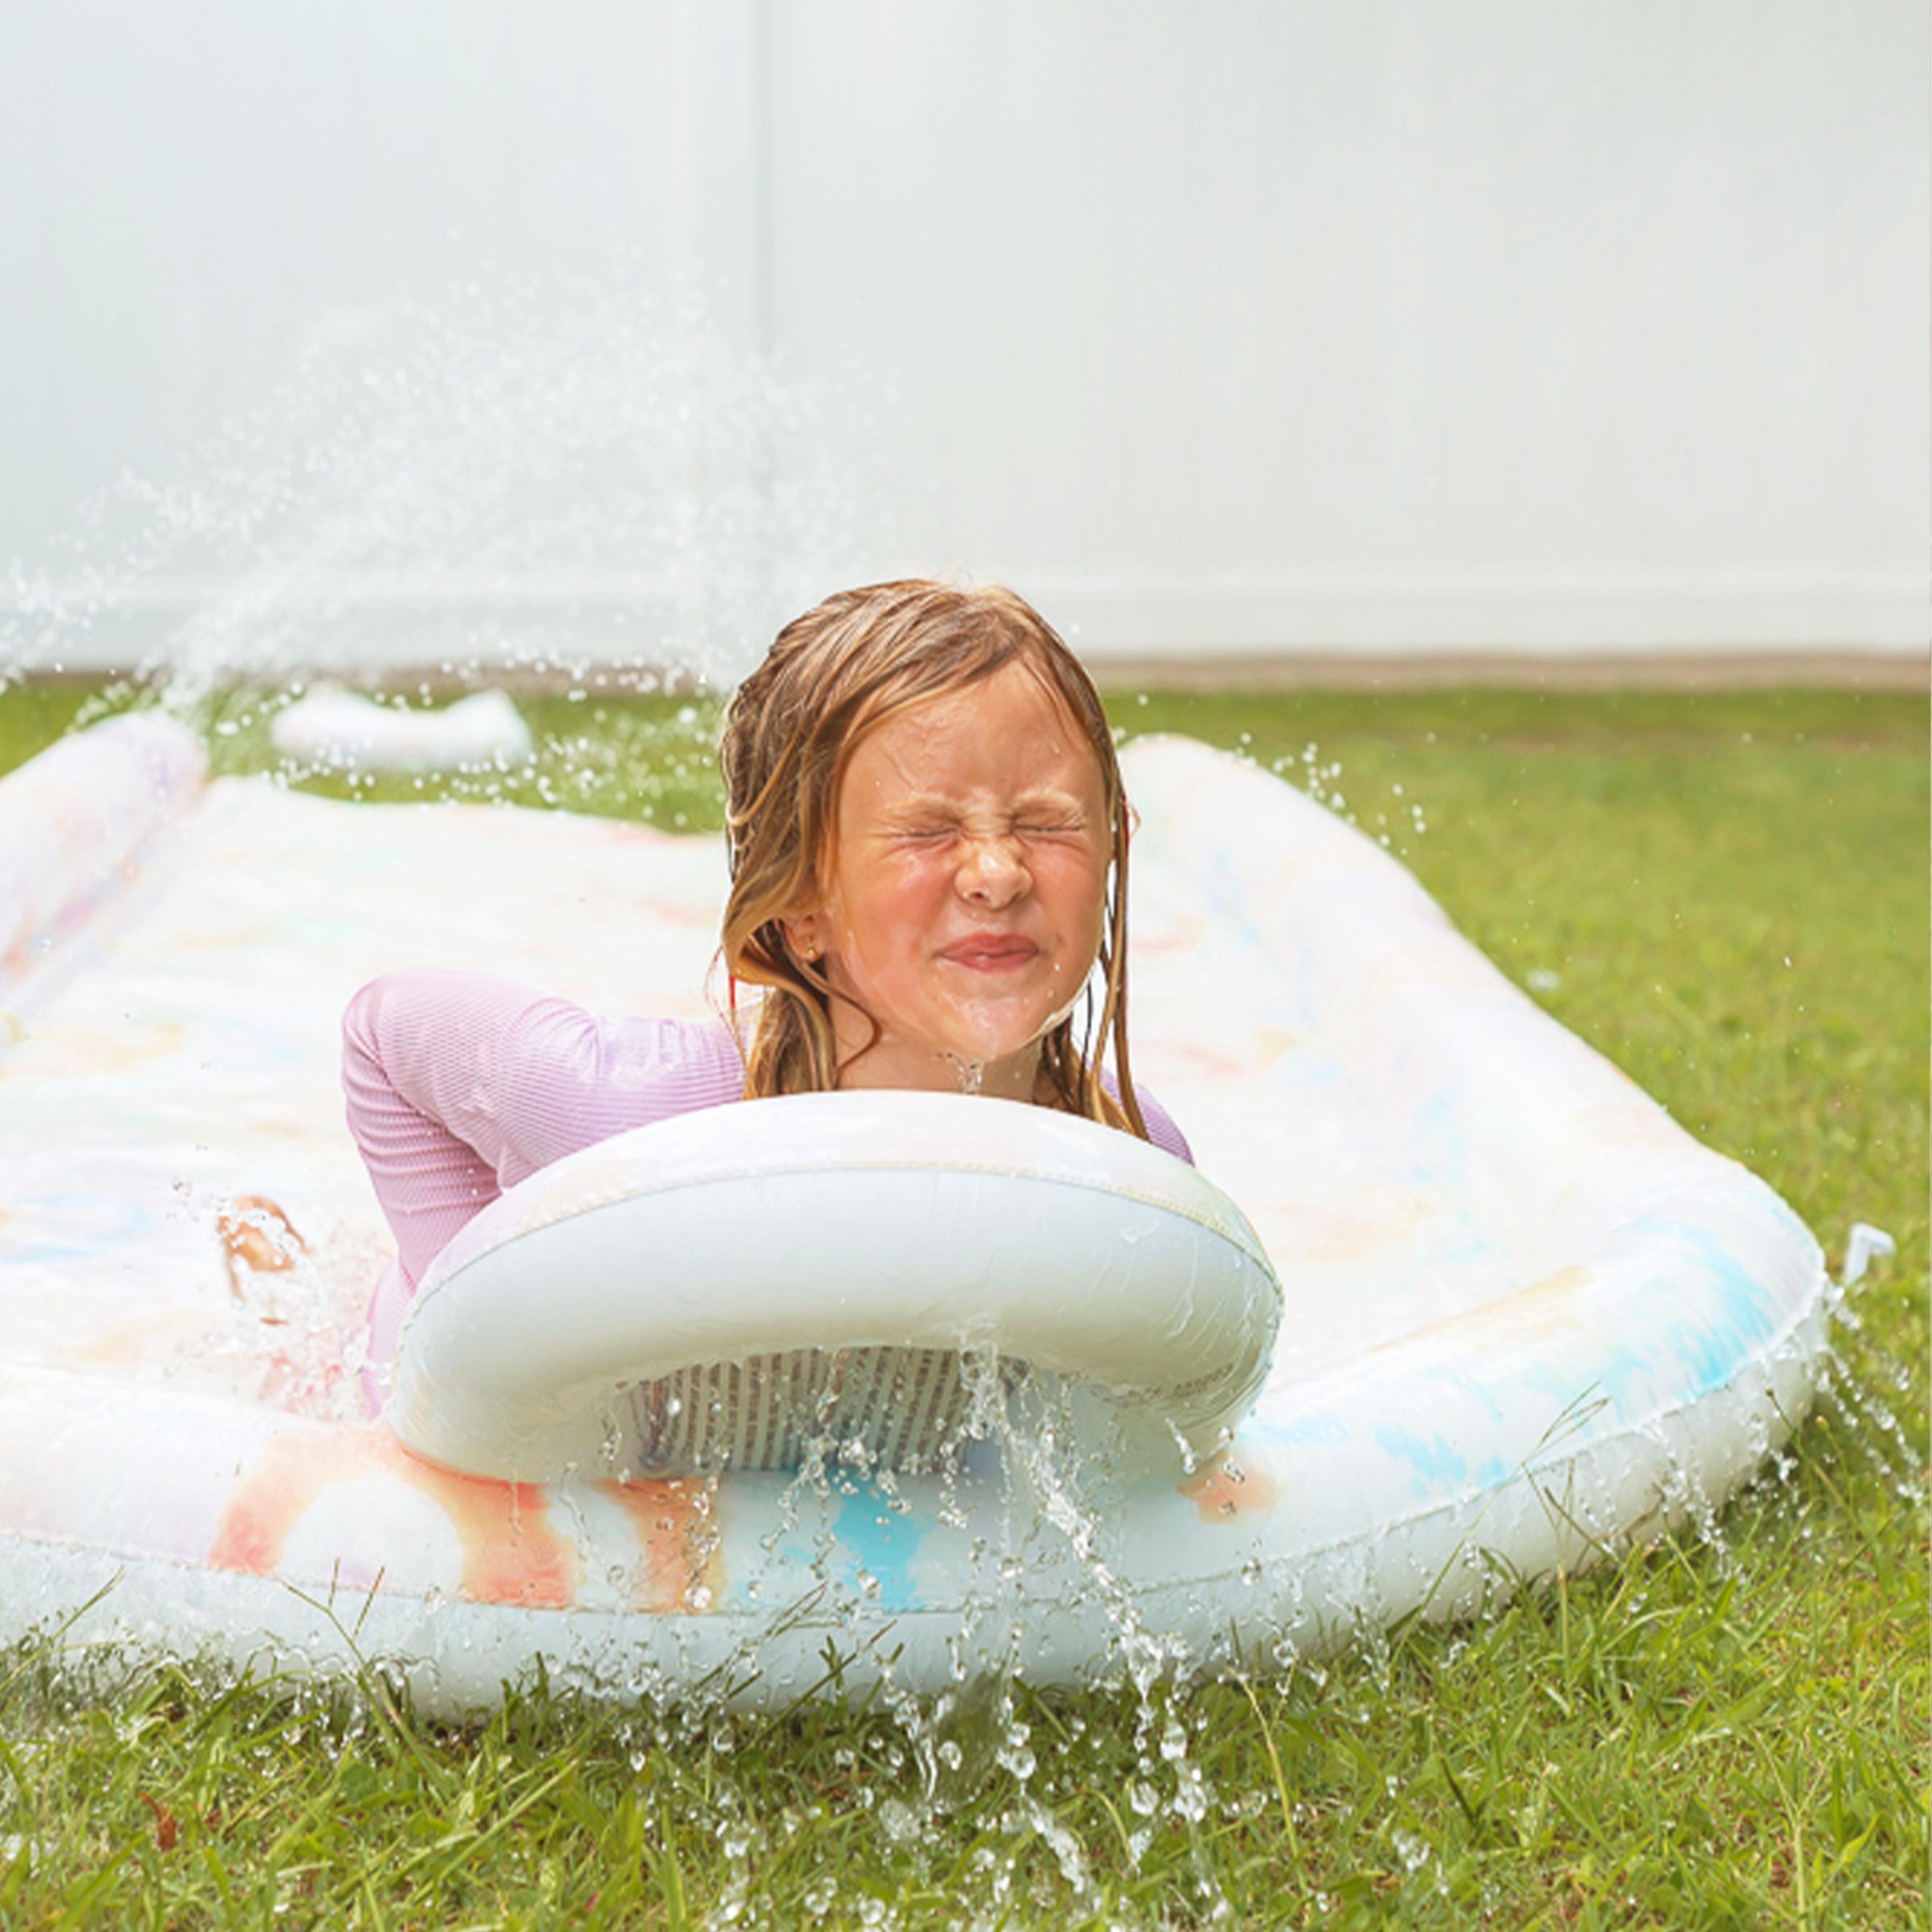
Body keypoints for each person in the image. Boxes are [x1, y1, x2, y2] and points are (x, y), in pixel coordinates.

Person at [343, 579, 1189, 1418]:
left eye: (1047, 823)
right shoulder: (637, 1118)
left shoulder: (1133, 1161)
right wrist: (473, 1347)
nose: (998, 874)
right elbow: (383, 1034)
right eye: (928, 832)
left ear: (1113, 842)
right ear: (799, 907)